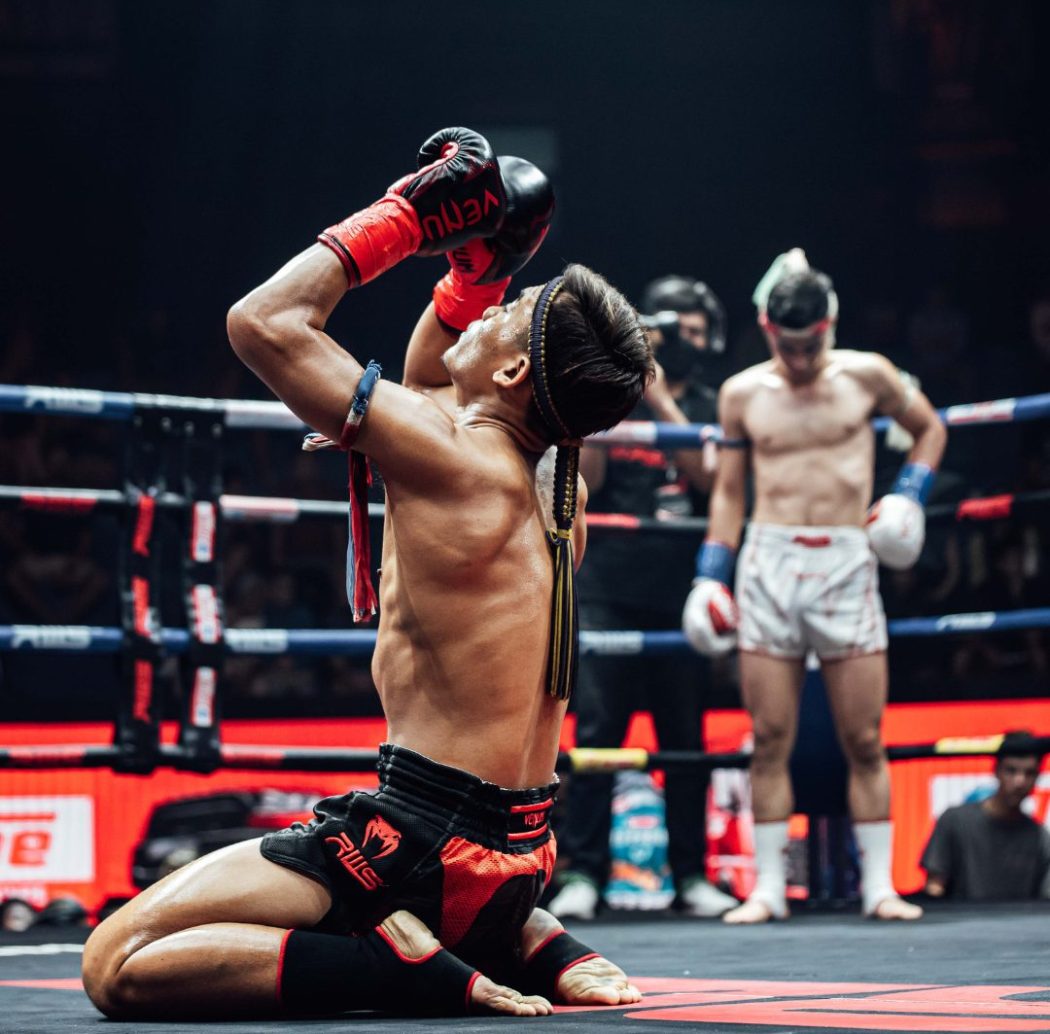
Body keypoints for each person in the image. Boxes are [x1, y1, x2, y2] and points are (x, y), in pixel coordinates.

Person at [82, 127, 652, 1019]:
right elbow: (434, 378)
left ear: (512, 370)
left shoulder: (447, 454)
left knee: (115, 963)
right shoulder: (557, 485)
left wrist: (404, 218)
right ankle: (513, 935)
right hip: (516, 852)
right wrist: (475, 277)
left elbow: (262, 323)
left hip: (417, 844)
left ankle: (400, 963)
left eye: (503, 312)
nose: (488, 309)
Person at [683, 248, 948, 924]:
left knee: (865, 738)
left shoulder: (869, 375)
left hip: (845, 562)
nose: (801, 359)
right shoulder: (742, 394)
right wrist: (709, 576)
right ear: (768, 331)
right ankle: (768, 890)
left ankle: (880, 888)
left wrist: (908, 495)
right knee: (769, 736)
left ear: (829, 325)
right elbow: (730, 493)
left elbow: (930, 429)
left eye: (812, 344)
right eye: (788, 346)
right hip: (769, 561)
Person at [547, 275, 737, 921]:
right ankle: (584, 872)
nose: (685, 342)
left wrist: (657, 397)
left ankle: (691, 873)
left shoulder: (711, 401)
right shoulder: (617, 393)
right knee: (598, 732)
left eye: (695, 332)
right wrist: (616, 393)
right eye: (673, 331)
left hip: (680, 590)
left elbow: (709, 477)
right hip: (609, 586)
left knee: (685, 735)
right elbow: (589, 478)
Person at [921, 731, 1050, 900]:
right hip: (960, 917)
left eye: (1029, 773)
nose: (1020, 781)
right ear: (996, 770)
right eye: (1011, 771)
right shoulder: (955, 821)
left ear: (1037, 776)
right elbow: (934, 887)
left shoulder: (1040, 838)